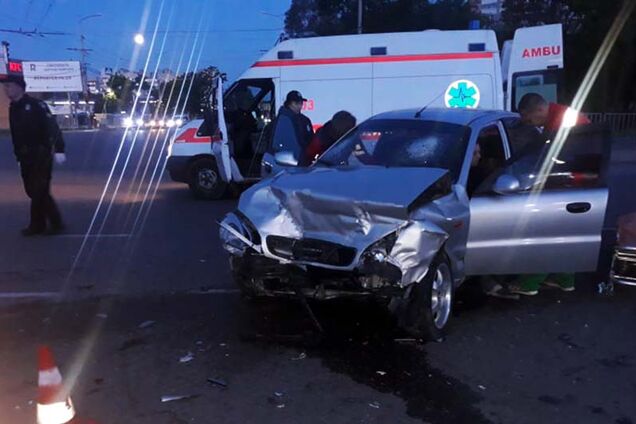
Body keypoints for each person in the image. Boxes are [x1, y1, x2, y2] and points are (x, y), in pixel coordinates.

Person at [506, 92, 592, 296]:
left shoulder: (559, 123)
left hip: (568, 185)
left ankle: (529, 283)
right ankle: (564, 279)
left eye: (528, 118)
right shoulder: (560, 116)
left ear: (539, 110)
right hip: (580, 182)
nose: (528, 123)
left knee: (546, 233)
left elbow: (553, 159)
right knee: (564, 233)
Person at [2, 75, 66, 236]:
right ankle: (56, 221)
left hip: (40, 153)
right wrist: (18, 157)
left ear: (19, 87)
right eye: (5, 86)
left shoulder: (36, 105)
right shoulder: (13, 107)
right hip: (25, 157)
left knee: (38, 190)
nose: (6, 89)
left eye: (9, 85)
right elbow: (17, 135)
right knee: (33, 190)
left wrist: (59, 149)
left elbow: (52, 127)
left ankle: (37, 225)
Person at [270, 90, 314, 161]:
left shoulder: (304, 120)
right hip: (284, 160)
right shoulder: (280, 121)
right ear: (289, 104)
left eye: (301, 103)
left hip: (302, 160)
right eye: (296, 103)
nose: (300, 106)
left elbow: (310, 139)